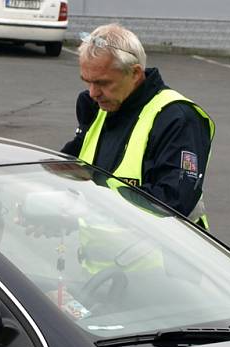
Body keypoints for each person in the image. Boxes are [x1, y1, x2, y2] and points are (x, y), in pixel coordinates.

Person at [61, 23, 215, 228]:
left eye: (103, 83)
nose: (93, 93)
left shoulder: (178, 118)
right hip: (99, 256)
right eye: (87, 81)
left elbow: (172, 203)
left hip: (164, 257)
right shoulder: (95, 106)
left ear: (135, 73)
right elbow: (70, 166)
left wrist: (94, 192)